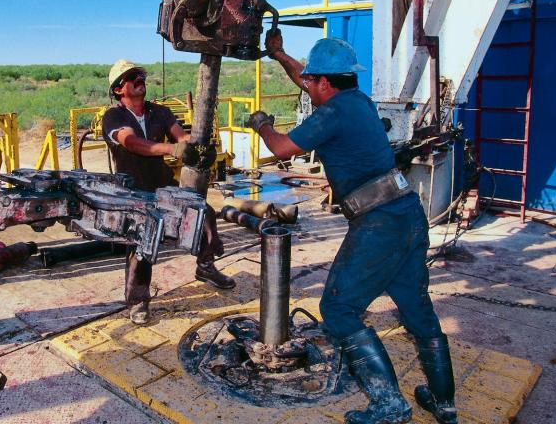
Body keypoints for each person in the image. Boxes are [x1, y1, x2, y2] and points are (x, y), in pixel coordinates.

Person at [246, 33, 457, 424]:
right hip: (408, 214)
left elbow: (280, 149)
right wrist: (278, 54)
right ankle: (443, 402)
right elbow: (306, 79)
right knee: (417, 310)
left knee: (339, 309)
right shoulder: (356, 101)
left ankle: (389, 405)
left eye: (313, 80)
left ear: (325, 83)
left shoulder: (331, 114)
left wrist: (261, 124)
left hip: (379, 224)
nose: (306, 83)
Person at [102, 59, 235, 325]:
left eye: (141, 76)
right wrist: (170, 150)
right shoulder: (113, 117)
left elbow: (180, 137)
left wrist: (196, 149)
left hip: (161, 182)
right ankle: (138, 301)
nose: (140, 80)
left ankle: (206, 265)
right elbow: (132, 142)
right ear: (119, 89)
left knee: (203, 213)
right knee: (142, 240)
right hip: (132, 189)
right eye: (132, 78)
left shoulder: (159, 112)